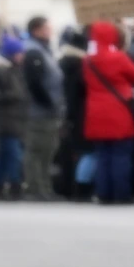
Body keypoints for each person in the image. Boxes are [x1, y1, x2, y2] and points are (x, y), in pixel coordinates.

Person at [83, 21, 134, 204]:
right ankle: (121, 194)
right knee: (121, 155)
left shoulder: (88, 60)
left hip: (95, 112)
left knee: (102, 155)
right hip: (119, 111)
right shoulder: (118, 57)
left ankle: (103, 193)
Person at [22, 17, 64, 201]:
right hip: (40, 111)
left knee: (47, 151)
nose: (50, 31)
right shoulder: (34, 52)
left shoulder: (43, 50)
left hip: (49, 110)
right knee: (37, 151)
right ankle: (36, 189)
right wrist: (48, 102)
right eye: (47, 28)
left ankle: (45, 188)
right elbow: (35, 83)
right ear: (36, 30)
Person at [0, 34, 29, 200]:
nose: (23, 56)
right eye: (20, 53)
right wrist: (17, 94)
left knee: (6, 155)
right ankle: (14, 185)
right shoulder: (2, 71)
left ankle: (0, 185)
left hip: (12, 118)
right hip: (6, 119)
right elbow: (4, 94)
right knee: (13, 155)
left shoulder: (14, 69)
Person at [57, 27, 90, 200]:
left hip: (65, 113)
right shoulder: (81, 65)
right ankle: (78, 189)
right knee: (83, 151)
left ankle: (66, 187)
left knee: (66, 152)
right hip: (79, 113)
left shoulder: (62, 61)